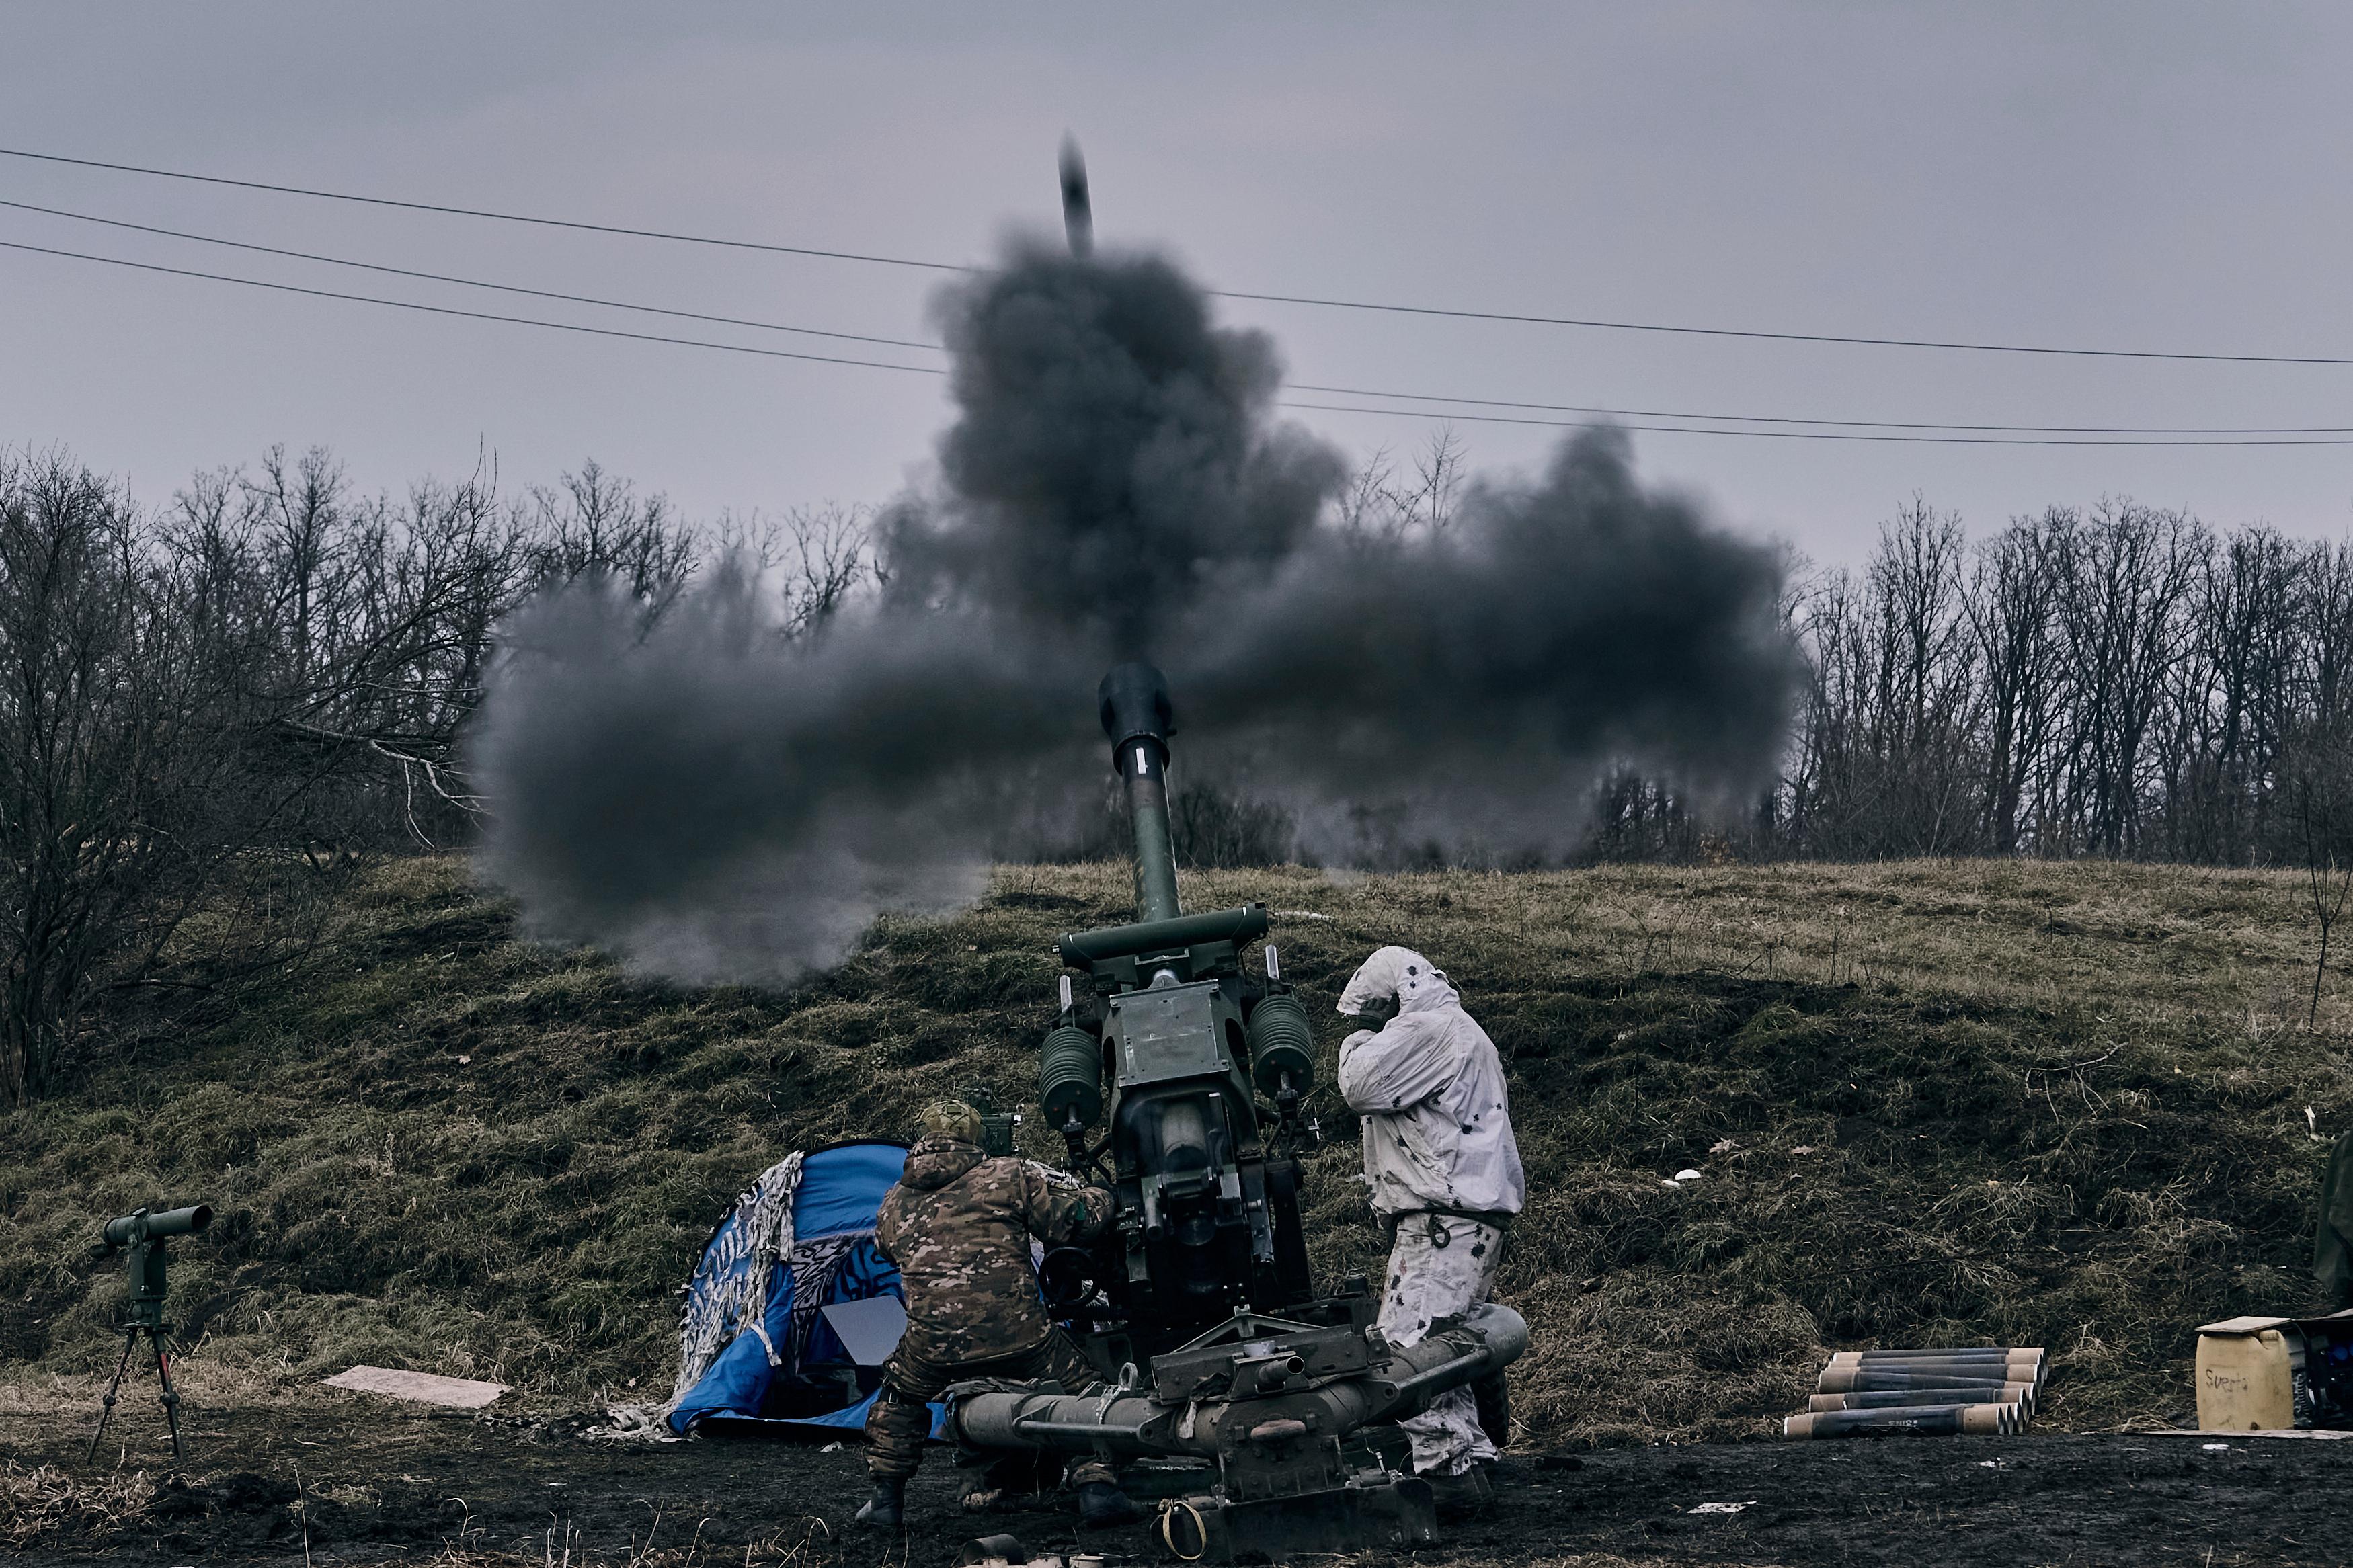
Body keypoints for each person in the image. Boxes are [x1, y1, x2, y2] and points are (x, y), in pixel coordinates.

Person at [857, 1099, 1143, 1530]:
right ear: (976, 1137)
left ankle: (885, 1500)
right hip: (1021, 1335)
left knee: (898, 1399)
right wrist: (1106, 1195)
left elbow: (884, 1247)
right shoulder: (1010, 1174)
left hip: (933, 1345)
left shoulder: (895, 1200)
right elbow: (1074, 1222)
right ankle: (1097, 1490)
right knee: (1085, 1390)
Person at [1336, 945, 1525, 1519]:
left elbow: (1359, 1084)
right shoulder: (1460, 1029)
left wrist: (1358, 1035)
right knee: (1448, 1355)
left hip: (1442, 1221)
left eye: (1372, 1011)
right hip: (1468, 1218)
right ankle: (1472, 1463)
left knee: (1407, 1356)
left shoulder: (1428, 1029)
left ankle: (1445, 1476)